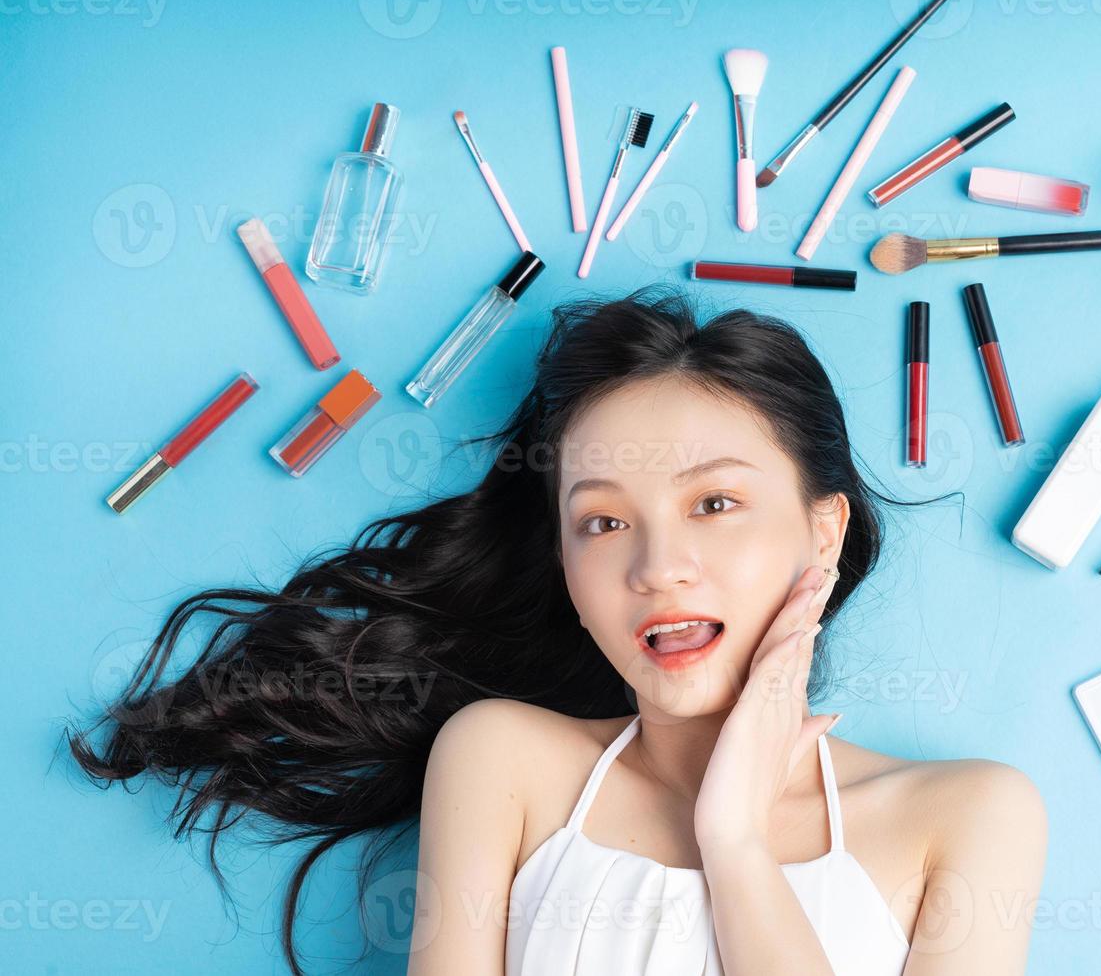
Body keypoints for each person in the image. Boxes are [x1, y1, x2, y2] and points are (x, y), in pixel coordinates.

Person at [69, 289, 1046, 975]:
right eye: (605, 520)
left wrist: (734, 839)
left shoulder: (968, 816)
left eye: (714, 501)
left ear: (822, 526)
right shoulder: (502, 759)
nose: (657, 564)